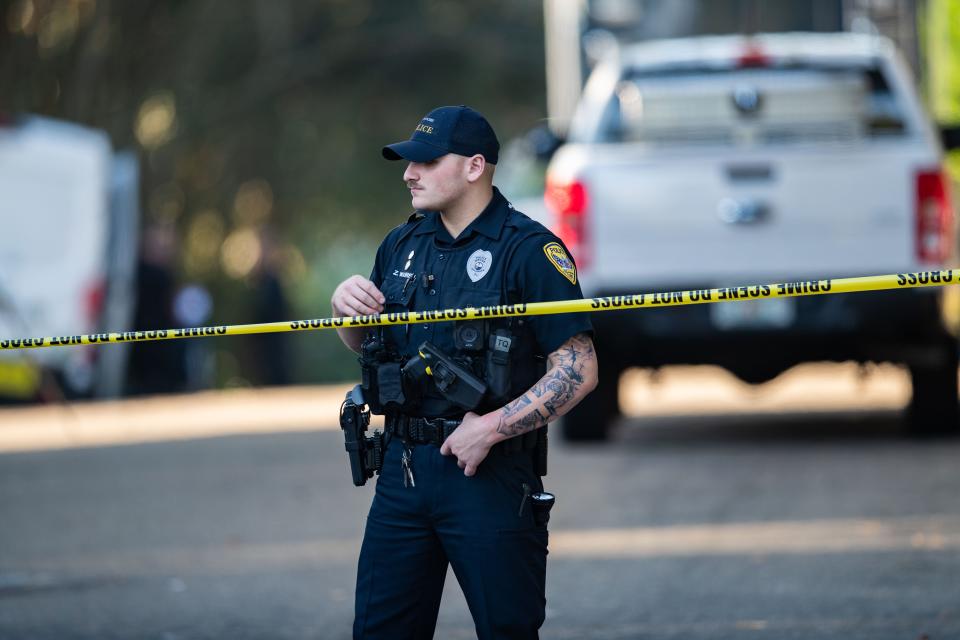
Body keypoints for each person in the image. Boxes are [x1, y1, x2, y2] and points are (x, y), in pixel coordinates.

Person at [331, 105, 599, 640]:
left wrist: (492, 429)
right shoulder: (400, 244)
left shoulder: (529, 251)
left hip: (490, 474)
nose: (410, 173)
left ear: (475, 167)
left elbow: (579, 368)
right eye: (409, 163)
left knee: (507, 630)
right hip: (402, 474)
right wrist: (345, 313)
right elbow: (369, 344)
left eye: (427, 162)